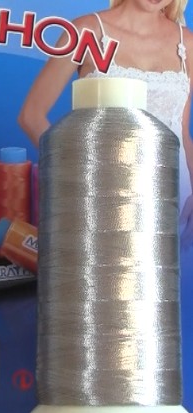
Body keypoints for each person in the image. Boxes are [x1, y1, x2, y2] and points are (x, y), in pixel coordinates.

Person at [18, 0, 193, 251]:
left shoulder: (186, 43)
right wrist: (79, 177)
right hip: (102, 201)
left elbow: (182, 133)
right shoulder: (86, 31)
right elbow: (31, 115)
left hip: (174, 204)